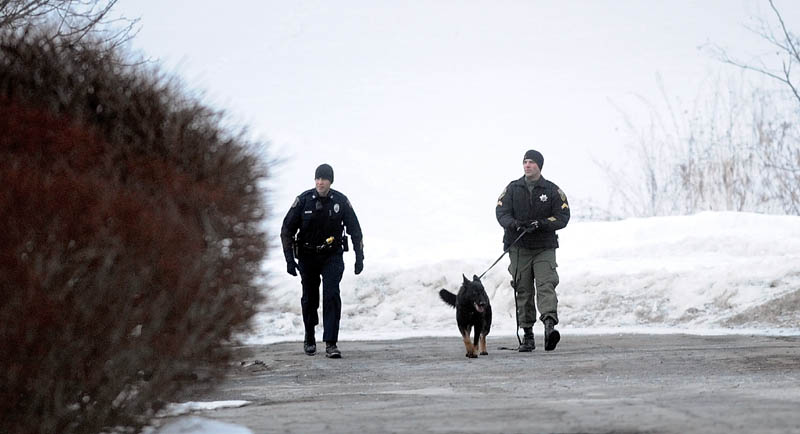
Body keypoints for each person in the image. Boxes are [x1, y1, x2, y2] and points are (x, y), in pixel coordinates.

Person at [281, 163, 364, 358]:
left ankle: (331, 343)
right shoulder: (303, 201)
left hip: (331, 256)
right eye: (317, 178)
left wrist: (359, 258)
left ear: (330, 181)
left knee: (331, 295)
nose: (320, 182)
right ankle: (309, 335)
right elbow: (286, 230)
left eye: (324, 179)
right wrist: (289, 261)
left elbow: (355, 230)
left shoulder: (340, 201)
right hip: (307, 255)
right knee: (309, 298)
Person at [495, 150, 570, 352]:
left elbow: (563, 216)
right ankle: (528, 335)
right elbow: (501, 212)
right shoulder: (513, 189)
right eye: (525, 162)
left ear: (539, 166)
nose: (527, 165)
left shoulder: (552, 190)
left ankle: (549, 327)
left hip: (544, 247)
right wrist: (514, 225)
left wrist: (542, 224)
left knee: (546, 285)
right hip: (519, 247)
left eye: (531, 162)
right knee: (523, 290)